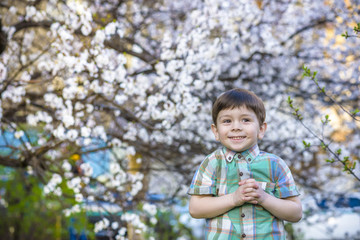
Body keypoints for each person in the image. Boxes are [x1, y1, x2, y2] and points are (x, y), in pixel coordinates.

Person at [188, 88, 302, 239]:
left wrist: (264, 198)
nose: (236, 127)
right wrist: (233, 199)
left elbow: (295, 213)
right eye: (227, 121)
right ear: (215, 131)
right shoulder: (212, 163)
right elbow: (196, 209)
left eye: (245, 120)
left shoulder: (275, 165)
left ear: (261, 129)